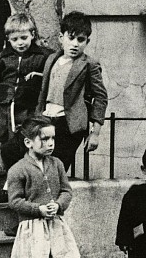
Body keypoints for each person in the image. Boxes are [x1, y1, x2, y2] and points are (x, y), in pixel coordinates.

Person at [7, 116, 81, 258]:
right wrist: (37, 209)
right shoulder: (18, 170)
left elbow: (67, 190)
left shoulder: (57, 164)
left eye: (53, 139)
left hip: (54, 224)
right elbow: (15, 201)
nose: (50, 143)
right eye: (44, 139)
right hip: (33, 227)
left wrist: (58, 205)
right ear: (29, 142)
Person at [0, 13, 53, 203]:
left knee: (14, 149)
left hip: (24, 109)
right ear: (8, 39)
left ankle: (8, 187)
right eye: (14, 39)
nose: (19, 43)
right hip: (2, 108)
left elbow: (50, 76)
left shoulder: (42, 56)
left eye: (24, 38)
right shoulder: (4, 57)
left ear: (33, 34)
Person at [35, 11, 108, 172]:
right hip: (46, 118)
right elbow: (44, 90)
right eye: (71, 38)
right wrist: (38, 116)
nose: (75, 44)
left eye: (81, 40)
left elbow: (101, 97)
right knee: (31, 161)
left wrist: (95, 133)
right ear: (61, 38)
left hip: (69, 124)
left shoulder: (89, 64)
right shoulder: (52, 59)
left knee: (55, 168)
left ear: (87, 41)